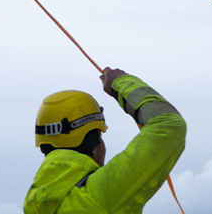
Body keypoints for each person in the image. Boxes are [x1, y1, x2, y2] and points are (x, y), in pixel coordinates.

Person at [23, 67, 186, 214]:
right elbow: (169, 125)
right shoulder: (99, 196)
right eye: (100, 136)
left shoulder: (36, 205)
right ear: (94, 147)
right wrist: (121, 83)